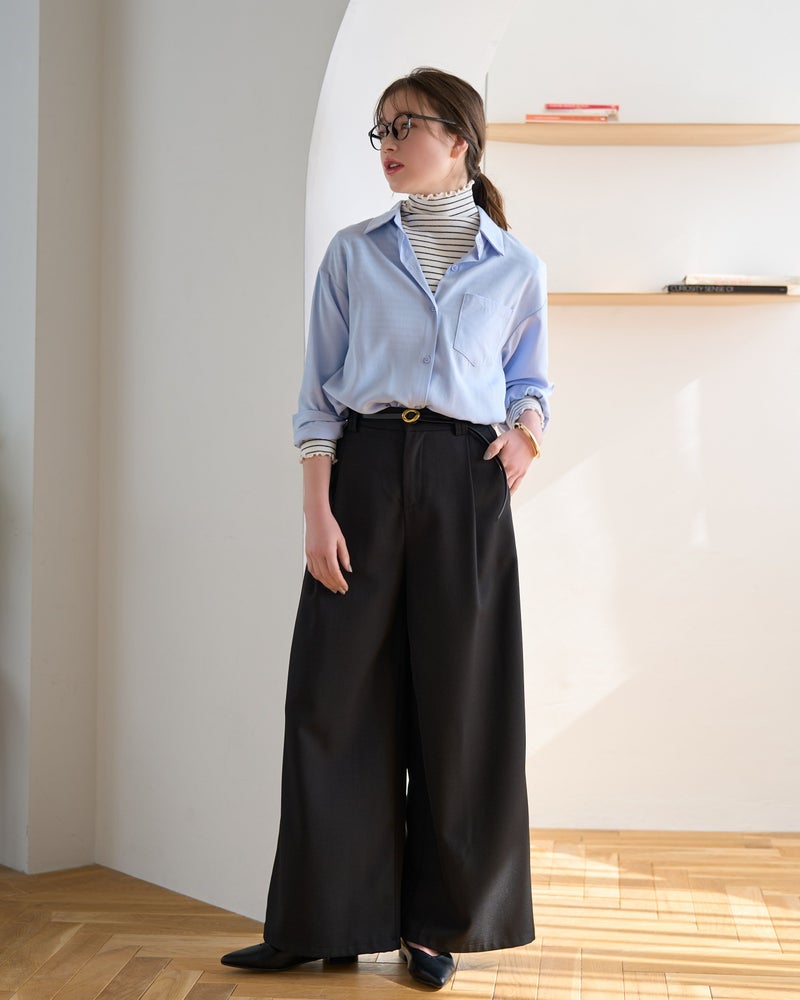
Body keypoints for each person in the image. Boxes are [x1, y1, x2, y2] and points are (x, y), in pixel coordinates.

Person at [221, 66, 552, 990]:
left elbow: (531, 382)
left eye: (407, 126)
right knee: (332, 701)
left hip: (464, 481)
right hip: (363, 473)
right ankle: (321, 919)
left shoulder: (516, 267)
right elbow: (317, 397)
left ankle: (435, 927)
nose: (389, 145)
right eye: (381, 130)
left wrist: (526, 437)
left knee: (459, 705)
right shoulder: (352, 255)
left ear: (460, 141)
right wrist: (316, 511)